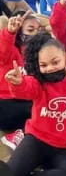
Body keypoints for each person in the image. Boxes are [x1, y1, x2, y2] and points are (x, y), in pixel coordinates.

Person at [1, 33, 66, 176]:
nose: (50, 68)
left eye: (55, 62)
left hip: (65, 148)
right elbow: (27, 88)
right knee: (8, 174)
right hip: (36, 141)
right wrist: (18, 83)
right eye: (44, 65)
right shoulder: (39, 82)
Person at [0, 12, 39, 150]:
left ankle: (21, 133)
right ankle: (20, 135)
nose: (34, 34)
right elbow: (3, 50)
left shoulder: (37, 54)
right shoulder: (10, 51)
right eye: (30, 30)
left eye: (37, 30)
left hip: (23, 101)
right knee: (38, 109)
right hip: (5, 103)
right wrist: (10, 32)